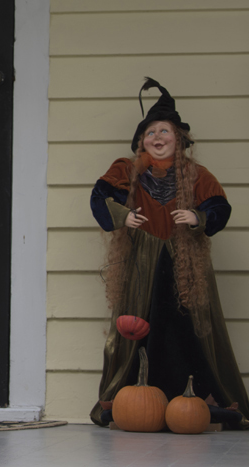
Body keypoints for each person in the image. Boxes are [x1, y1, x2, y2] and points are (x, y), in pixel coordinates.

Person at [89, 78, 248, 429]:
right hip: (140, 262)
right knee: (139, 326)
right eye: (150, 133)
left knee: (189, 327)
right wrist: (122, 214)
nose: (158, 138)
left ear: (179, 139)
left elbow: (220, 208)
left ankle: (201, 401)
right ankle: (132, 399)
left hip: (184, 263)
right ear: (141, 142)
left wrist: (199, 217)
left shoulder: (197, 175)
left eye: (165, 131)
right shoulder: (125, 171)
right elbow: (99, 198)